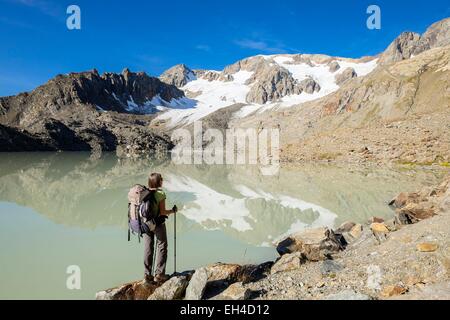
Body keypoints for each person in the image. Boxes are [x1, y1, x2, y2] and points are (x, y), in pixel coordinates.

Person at [143, 173, 177, 284]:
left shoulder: (144, 192)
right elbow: (162, 212)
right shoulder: (160, 193)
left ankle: (147, 275)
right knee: (162, 245)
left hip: (146, 224)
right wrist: (172, 211)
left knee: (148, 247)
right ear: (158, 182)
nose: (163, 181)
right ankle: (159, 274)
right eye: (161, 179)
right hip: (157, 224)